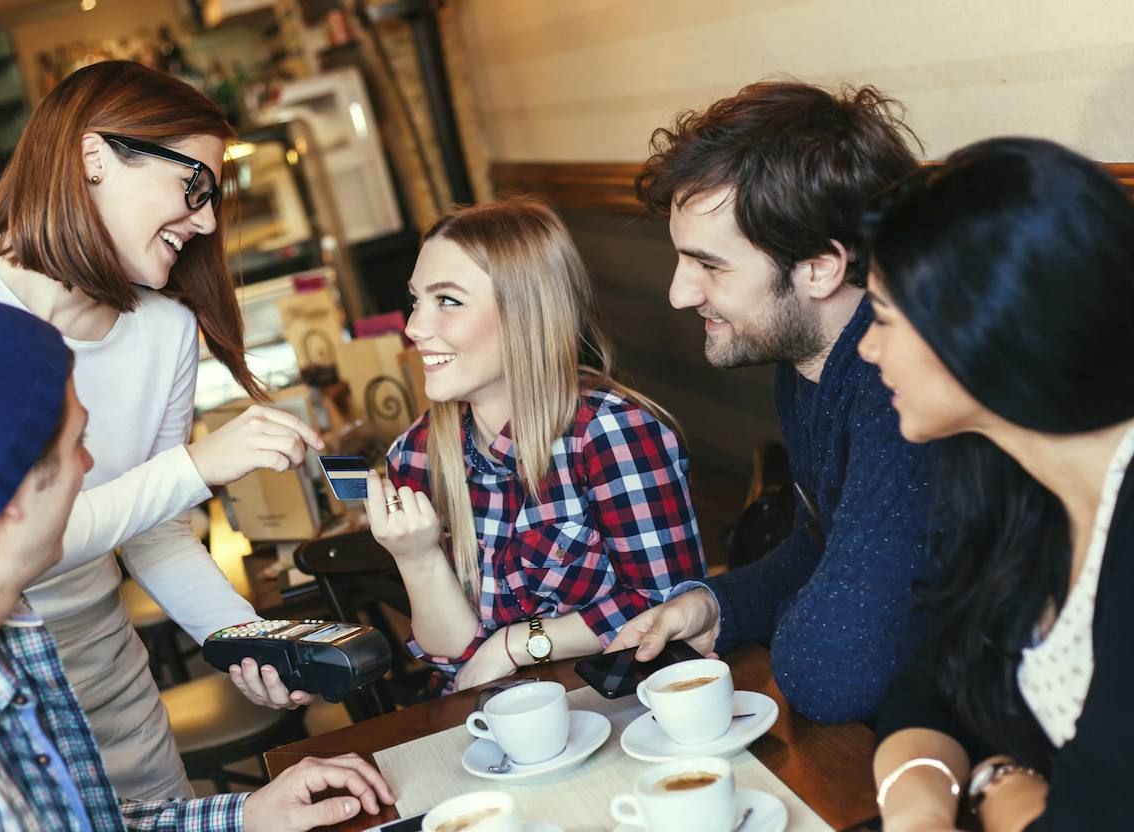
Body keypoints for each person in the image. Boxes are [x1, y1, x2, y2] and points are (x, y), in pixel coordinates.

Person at [0, 60, 320, 800]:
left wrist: (242, 637)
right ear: (94, 157)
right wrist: (195, 467)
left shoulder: (166, 327)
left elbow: (157, 532)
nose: (205, 219)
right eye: (192, 185)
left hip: (109, 674)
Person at [0, 297, 395, 830]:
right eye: (77, 444)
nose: (90, 465)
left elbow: (75, 821)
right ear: (8, 490)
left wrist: (245, 814)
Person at [606, 81, 935, 723]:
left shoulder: (903, 390)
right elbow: (823, 542)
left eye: (710, 265)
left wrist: (793, 620)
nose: (679, 293)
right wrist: (718, 605)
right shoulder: (806, 359)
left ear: (818, 268)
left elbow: (832, 672)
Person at [864, 139, 1134, 830]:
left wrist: (994, 781)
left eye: (883, 318)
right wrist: (920, 810)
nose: (867, 348)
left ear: (981, 330)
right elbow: (928, 692)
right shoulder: (1010, 474)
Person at [363, 199, 704, 693]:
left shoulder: (609, 433)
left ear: (526, 312)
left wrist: (519, 643)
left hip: (621, 703)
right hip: (495, 721)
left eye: (448, 301)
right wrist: (416, 558)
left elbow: (668, 605)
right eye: (416, 299)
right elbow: (455, 659)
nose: (414, 326)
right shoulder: (416, 453)